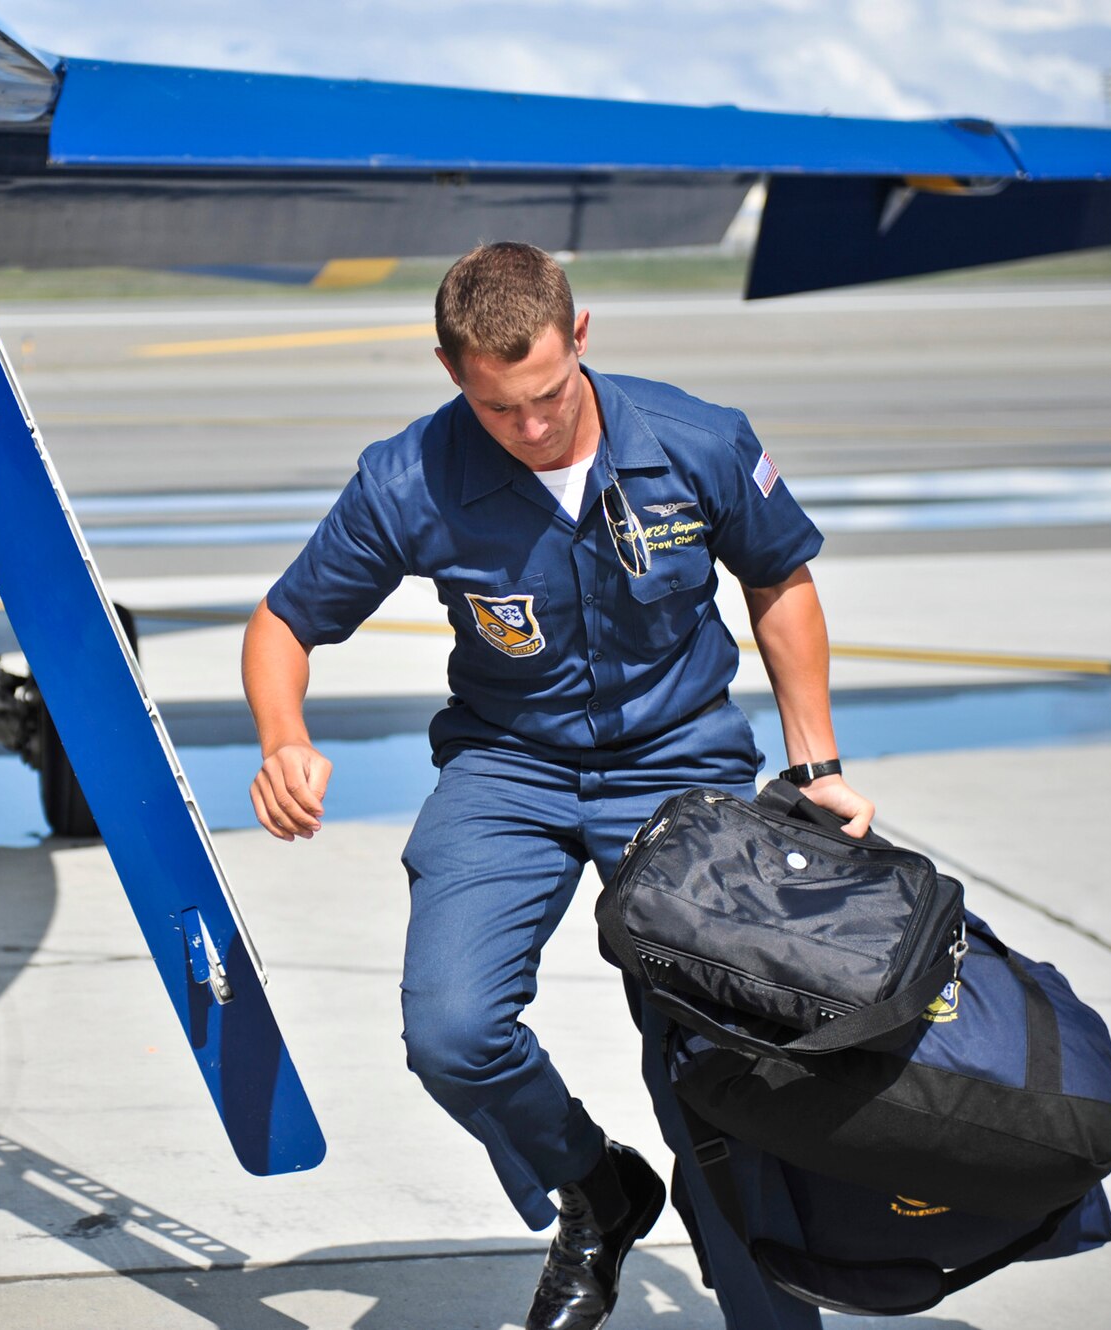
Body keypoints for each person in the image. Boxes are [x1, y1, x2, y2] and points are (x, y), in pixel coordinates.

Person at [241, 241, 872, 1330]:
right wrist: (280, 736)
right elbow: (284, 621)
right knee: (449, 1030)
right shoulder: (409, 476)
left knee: (712, 1074)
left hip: (677, 764)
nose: (529, 428)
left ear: (579, 338)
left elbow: (778, 576)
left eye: (544, 395)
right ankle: (594, 1186)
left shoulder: (695, 438)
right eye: (497, 409)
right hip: (508, 767)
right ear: (450, 371)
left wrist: (813, 763)